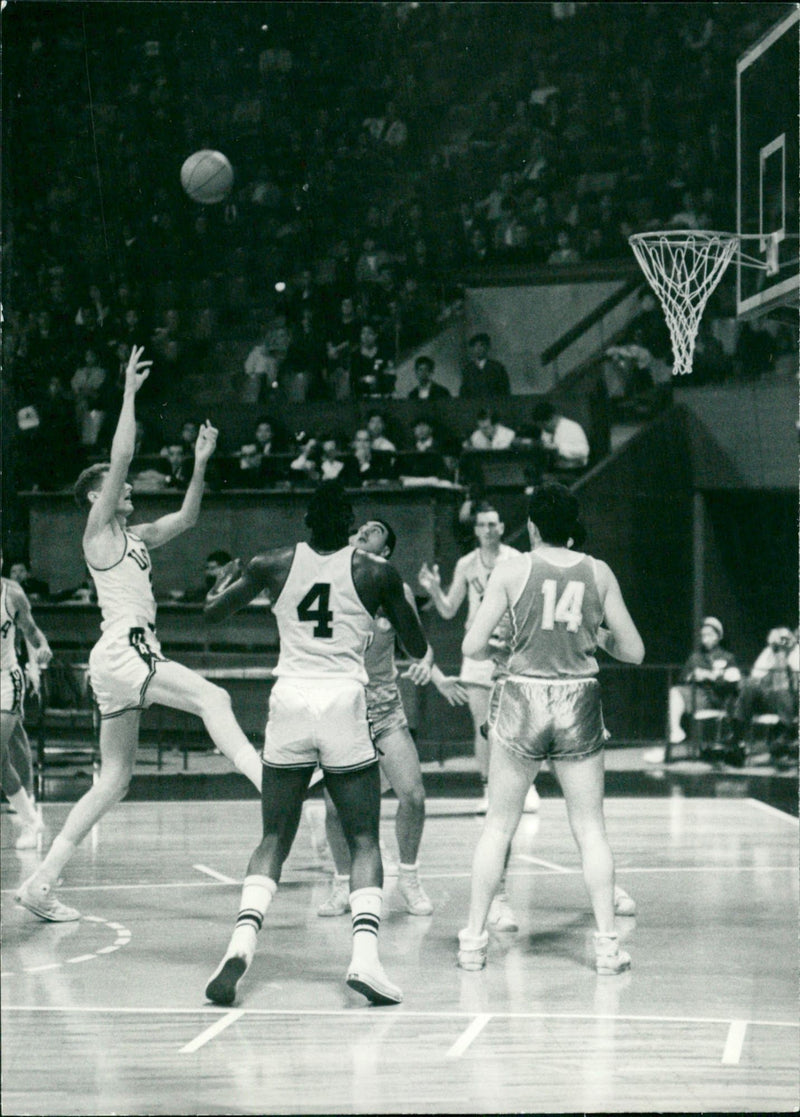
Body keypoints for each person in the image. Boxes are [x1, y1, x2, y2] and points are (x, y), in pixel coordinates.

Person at [15, 346, 264, 923]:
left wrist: (201, 463)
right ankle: (268, 783)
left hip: (120, 659)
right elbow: (121, 455)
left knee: (116, 780)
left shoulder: (138, 536)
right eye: (114, 486)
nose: (126, 489)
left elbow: (188, 520)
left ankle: (41, 882)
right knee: (216, 698)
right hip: (126, 649)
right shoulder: (98, 529)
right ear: (94, 497)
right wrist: (127, 392)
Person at [202, 481, 430, 1008]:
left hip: (289, 701)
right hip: (344, 702)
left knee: (273, 837)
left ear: (307, 521)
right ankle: (367, 960)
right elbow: (417, 644)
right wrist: (393, 606)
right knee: (364, 837)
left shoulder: (272, 563)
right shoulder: (375, 571)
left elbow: (212, 613)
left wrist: (236, 576)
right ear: (349, 522)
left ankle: (239, 947)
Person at [456, 482, 644, 975]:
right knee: (590, 830)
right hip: (579, 695)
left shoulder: (512, 568)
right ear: (573, 524)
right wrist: (593, 634)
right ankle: (607, 946)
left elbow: (472, 646)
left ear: (533, 525)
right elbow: (634, 651)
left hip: (522, 693)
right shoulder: (598, 572)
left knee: (498, 826)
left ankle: (473, 942)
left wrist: (508, 640)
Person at [317, 519, 468, 919]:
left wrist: (429, 669)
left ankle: (409, 879)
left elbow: (421, 648)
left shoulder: (394, 589)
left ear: (385, 552)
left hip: (384, 708)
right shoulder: (330, 580)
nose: (366, 528)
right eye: (361, 526)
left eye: (378, 528)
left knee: (414, 795)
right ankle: (341, 883)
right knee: (334, 810)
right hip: (340, 710)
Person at [418, 498, 540, 920]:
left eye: (494, 522)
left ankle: (527, 785)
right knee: (484, 724)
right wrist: (432, 588)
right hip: (477, 650)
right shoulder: (468, 563)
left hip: (511, 647)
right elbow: (450, 609)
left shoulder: (516, 559)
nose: (489, 529)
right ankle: (490, 789)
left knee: (519, 721)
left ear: (503, 526)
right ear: (476, 530)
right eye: (483, 524)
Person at [1, 567, 53, 849]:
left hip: (5, 679)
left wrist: (42, 648)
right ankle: (32, 819)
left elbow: (32, 631)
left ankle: (30, 819)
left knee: (5, 749)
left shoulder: (12, 594)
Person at [667, 617, 741, 750]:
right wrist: (694, 676)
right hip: (698, 697)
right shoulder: (695, 657)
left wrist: (711, 676)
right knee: (675, 691)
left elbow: (733, 682)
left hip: (717, 697)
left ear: (718, 637)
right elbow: (683, 678)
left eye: (709, 635)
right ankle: (676, 730)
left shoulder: (727, 657)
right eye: (703, 635)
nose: (705, 638)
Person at [731, 628, 799, 753]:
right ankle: (738, 736)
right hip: (769, 698)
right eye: (780, 639)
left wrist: (785, 656)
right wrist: (773, 654)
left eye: (786, 639)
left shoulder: (796, 652)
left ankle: (782, 735)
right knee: (749, 687)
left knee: (782, 690)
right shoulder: (769, 652)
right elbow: (756, 674)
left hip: (791, 699)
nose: (782, 642)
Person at [532, 401, 590, 470]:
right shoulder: (546, 430)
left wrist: (558, 448)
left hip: (575, 469)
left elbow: (584, 452)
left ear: (553, 418)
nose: (544, 429)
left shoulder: (571, 427)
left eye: (544, 425)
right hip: (557, 468)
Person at [460, 333, 511, 399]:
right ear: (472, 349)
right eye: (475, 346)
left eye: (482, 345)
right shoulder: (467, 369)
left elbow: (505, 391)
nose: (478, 349)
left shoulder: (497, 368)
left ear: (487, 348)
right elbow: (464, 393)